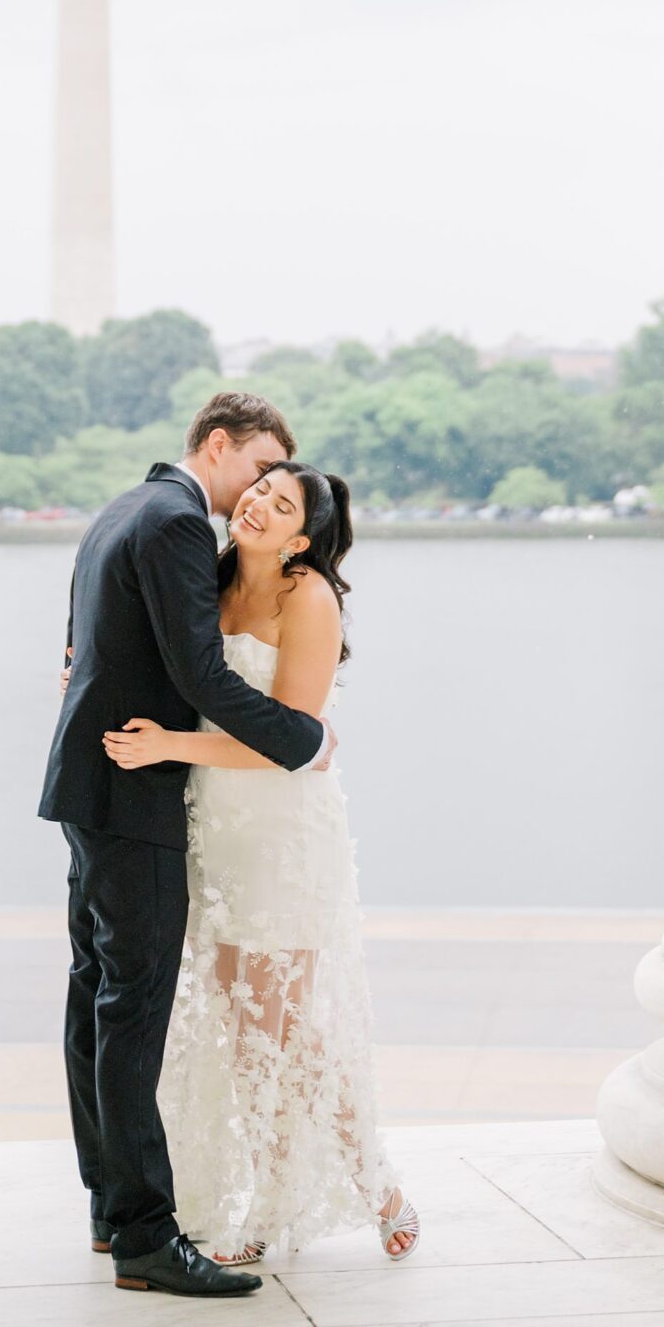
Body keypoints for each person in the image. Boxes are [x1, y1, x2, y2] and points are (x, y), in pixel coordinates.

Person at [37, 391, 330, 1299]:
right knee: (131, 1010)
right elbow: (195, 668)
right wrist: (295, 737)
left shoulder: (125, 506)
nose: (260, 488)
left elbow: (87, 638)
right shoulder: (172, 522)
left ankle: (107, 1207)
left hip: (93, 785)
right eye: (259, 468)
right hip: (135, 796)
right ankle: (143, 1239)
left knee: (96, 995)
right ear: (217, 445)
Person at [104, 459, 419, 1266]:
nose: (257, 505)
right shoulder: (206, 583)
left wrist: (169, 745)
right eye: (258, 491)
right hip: (215, 827)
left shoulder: (306, 598)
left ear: (301, 539)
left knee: (274, 1031)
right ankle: (353, 1184)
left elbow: (289, 743)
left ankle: (296, 1200)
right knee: (260, 1032)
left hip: (282, 834)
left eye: (280, 506)